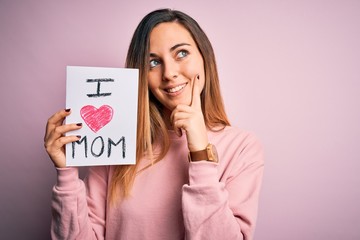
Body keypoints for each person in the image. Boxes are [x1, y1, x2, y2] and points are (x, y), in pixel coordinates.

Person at [44, 8, 264, 240]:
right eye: (153, 62)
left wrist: (200, 151)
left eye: (181, 54)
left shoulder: (243, 147)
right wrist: (66, 173)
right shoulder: (117, 142)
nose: (169, 73)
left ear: (204, 57)